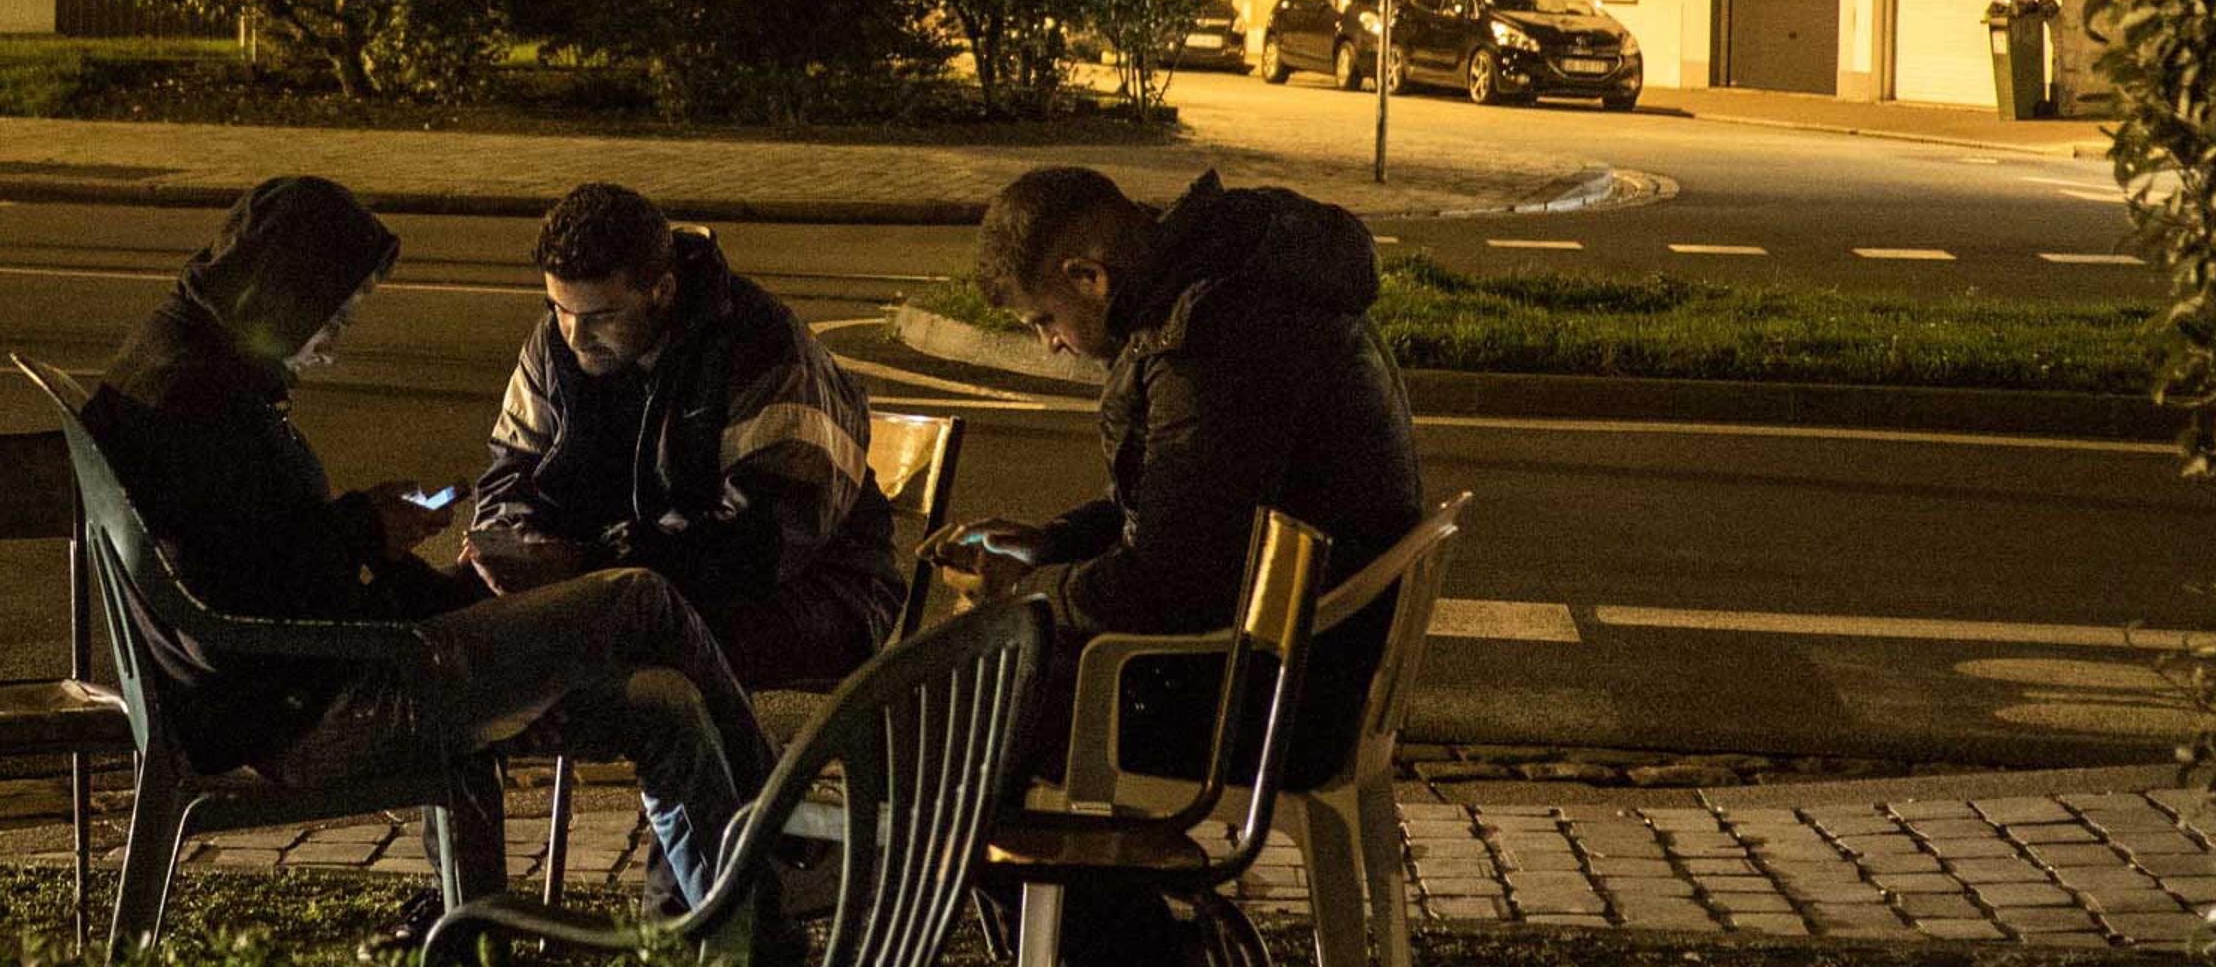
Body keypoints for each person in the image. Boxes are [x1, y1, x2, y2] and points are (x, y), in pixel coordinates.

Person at [78, 175, 788, 933]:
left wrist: (442, 587)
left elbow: (262, 555)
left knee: (664, 710)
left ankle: (742, 929)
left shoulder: (178, 359)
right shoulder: (197, 398)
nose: (342, 330)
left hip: (296, 681)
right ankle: (781, 830)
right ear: (289, 289)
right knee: (638, 599)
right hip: (314, 709)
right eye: (337, 310)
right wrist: (366, 533)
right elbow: (251, 589)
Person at [935, 165, 1425, 792]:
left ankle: (1098, 890)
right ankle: (1087, 887)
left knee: (970, 714)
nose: (1049, 345)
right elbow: (1181, 504)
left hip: (1273, 702)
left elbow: (1173, 577)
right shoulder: (1218, 292)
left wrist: (1028, 599)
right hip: (1292, 659)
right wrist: (1052, 544)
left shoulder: (1213, 340)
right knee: (984, 702)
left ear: (1087, 277)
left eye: (1044, 321)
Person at [463, 182, 901, 689]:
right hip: (625, 580)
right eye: (560, 308)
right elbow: (509, 470)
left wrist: (592, 565)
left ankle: (738, 769)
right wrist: (513, 544)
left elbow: (765, 540)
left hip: (821, 592)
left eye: (602, 316)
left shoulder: (760, 347)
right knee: (453, 623)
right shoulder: (555, 345)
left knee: (639, 642)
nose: (576, 337)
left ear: (663, 291)